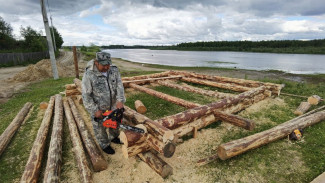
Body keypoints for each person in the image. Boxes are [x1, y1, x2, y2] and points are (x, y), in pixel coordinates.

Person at [82, 51, 126, 154]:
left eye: (108, 64)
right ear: (96, 62)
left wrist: (120, 100)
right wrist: (94, 110)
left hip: (114, 105)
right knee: (100, 128)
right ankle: (104, 144)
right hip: (99, 108)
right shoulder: (89, 74)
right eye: (104, 65)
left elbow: (120, 86)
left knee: (115, 123)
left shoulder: (114, 70)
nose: (107, 67)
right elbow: (86, 95)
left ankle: (114, 137)